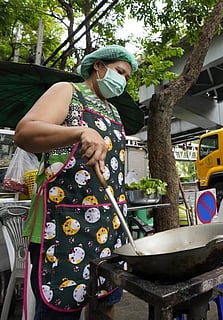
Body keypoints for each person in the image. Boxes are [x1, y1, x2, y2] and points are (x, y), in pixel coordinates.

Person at [14, 44, 138, 320]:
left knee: (105, 304)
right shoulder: (68, 91)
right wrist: (81, 131)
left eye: (127, 77)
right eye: (120, 71)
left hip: (109, 225)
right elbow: (24, 132)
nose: (123, 81)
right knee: (60, 309)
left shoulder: (114, 112)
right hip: (63, 225)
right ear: (98, 66)